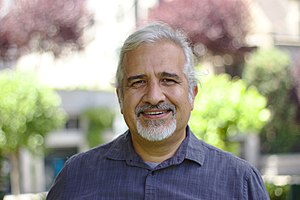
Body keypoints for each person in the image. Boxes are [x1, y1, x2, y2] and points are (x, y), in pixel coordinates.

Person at [46, 22, 270, 200]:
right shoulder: (76, 177)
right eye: (138, 82)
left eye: (168, 80)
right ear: (120, 98)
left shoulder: (240, 183)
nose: (154, 96)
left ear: (192, 94)